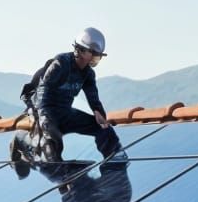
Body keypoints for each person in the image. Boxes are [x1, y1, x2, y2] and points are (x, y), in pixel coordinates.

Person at [11, 27, 125, 175]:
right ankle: (22, 140)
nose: (95, 59)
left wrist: (99, 114)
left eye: (98, 56)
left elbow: (93, 97)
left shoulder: (88, 73)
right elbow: (43, 93)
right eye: (94, 55)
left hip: (64, 111)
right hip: (43, 108)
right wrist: (44, 119)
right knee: (52, 142)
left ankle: (114, 160)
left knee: (102, 128)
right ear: (81, 50)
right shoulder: (60, 64)